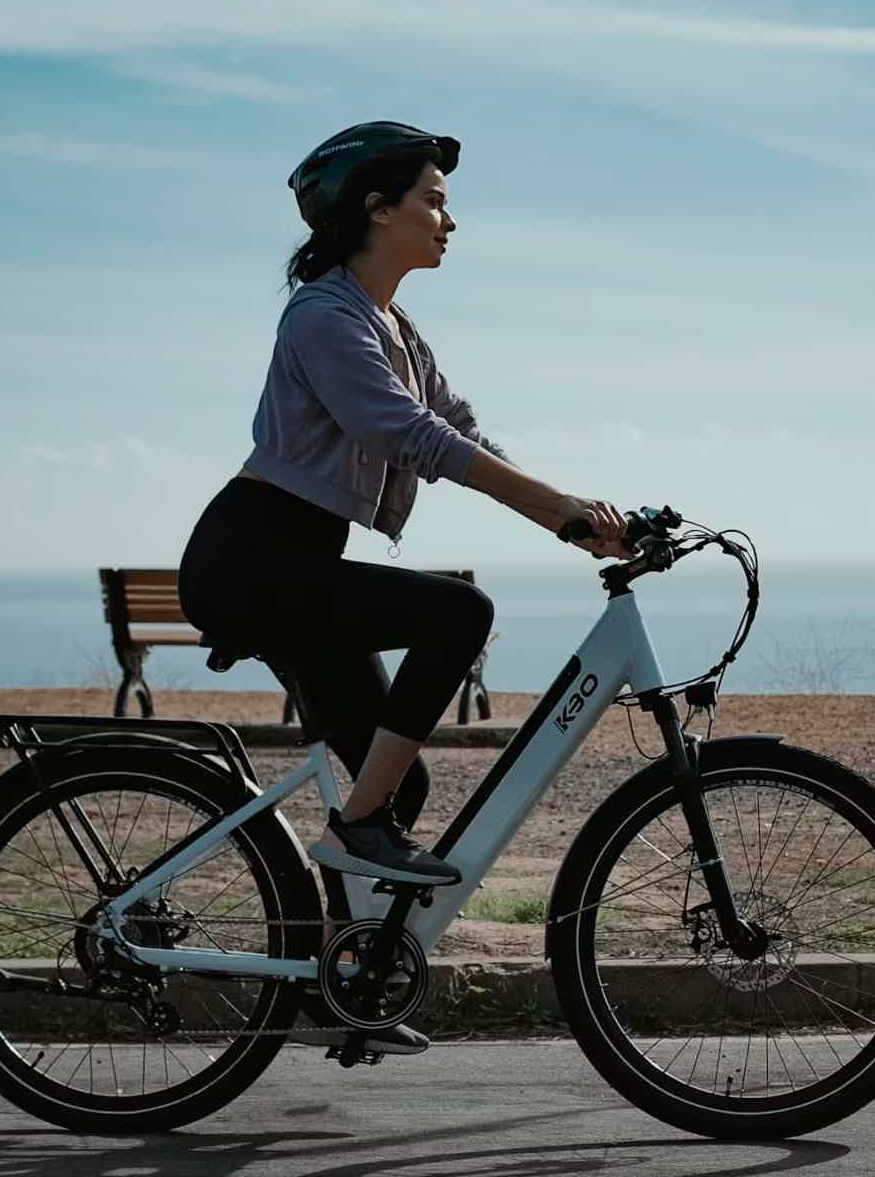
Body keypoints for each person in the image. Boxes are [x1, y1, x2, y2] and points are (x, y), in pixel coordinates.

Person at [178, 120, 630, 895]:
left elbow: (460, 429)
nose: (450, 221)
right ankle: (355, 831)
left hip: (298, 563)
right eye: (435, 201)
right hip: (249, 562)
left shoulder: (396, 328)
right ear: (378, 208)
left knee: (397, 788)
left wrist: (580, 518)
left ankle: (343, 958)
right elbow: (406, 432)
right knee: (459, 614)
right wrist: (557, 510)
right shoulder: (322, 316)